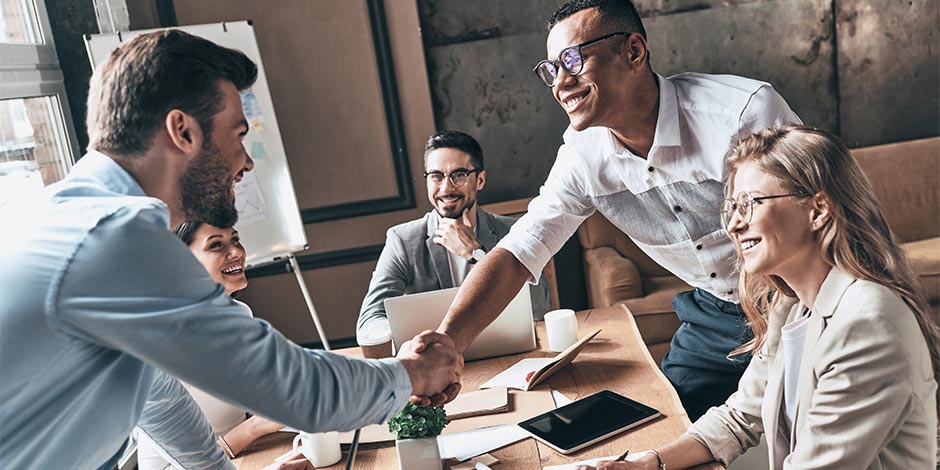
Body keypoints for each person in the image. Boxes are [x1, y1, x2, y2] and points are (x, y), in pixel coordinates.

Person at [0, 30, 461, 470]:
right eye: (238, 134)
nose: (246, 160)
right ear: (182, 131)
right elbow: (301, 393)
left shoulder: (66, 213)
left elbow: (159, 394)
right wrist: (414, 374)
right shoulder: (116, 239)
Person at [417, 0, 801, 418]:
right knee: (658, 430)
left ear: (633, 51)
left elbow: (823, 219)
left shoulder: (741, 113)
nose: (560, 83)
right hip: (717, 312)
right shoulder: (582, 158)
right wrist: (445, 345)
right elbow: (518, 253)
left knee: (814, 426)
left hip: (800, 295)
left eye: (573, 60)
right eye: (551, 70)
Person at [579, 126, 939, 469]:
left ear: (817, 210)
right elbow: (739, 416)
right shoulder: (792, 304)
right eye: (732, 207)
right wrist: (651, 462)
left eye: (750, 203)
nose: (733, 225)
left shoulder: (865, 322)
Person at [357, 130, 552, 343]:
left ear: (480, 180)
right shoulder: (402, 241)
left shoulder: (513, 231)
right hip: (432, 360)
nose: (446, 187)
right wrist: (418, 340)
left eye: (459, 175)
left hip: (505, 352)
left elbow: (540, 307)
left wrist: (475, 254)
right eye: (436, 176)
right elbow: (369, 321)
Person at [137, 222, 286, 469]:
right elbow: (183, 463)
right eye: (216, 245)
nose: (236, 252)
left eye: (235, 240)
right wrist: (254, 427)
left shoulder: (241, 314)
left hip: (243, 457)